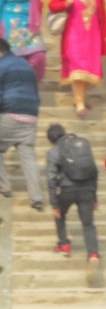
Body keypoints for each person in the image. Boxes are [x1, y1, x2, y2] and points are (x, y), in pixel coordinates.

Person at [48, 0, 106, 117]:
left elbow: (102, 13)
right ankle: (79, 101)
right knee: (77, 66)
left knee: (91, 68)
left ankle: (80, 98)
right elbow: (52, 5)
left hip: (93, 34)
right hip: (74, 33)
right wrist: (66, 3)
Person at [45, 124, 100, 268]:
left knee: (59, 214)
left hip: (67, 190)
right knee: (88, 224)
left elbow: (51, 179)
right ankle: (93, 253)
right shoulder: (80, 145)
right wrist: (94, 196)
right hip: (87, 190)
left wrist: (55, 204)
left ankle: (64, 244)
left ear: (50, 140)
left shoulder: (53, 151)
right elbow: (93, 170)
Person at [0, 38, 43, 210]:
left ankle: (4, 187)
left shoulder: (2, 66)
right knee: (28, 157)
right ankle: (36, 198)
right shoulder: (26, 65)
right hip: (31, 115)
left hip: (10, 114)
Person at [0, 0, 46, 82]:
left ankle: (28, 82)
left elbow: (36, 8)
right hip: (11, 28)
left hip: (29, 27)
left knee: (39, 55)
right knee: (15, 58)